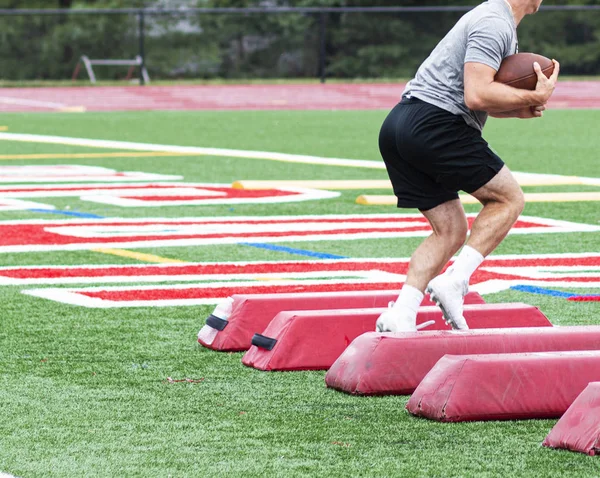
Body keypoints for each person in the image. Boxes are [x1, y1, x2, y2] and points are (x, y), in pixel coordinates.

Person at [375, 0, 560, 333]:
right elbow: (477, 95)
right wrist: (529, 97)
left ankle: (401, 313)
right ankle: (455, 282)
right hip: (436, 124)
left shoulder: (498, 21)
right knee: (508, 199)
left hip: (400, 124)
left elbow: (478, 95)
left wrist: (518, 108)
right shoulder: (494, 22)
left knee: (450, 231)